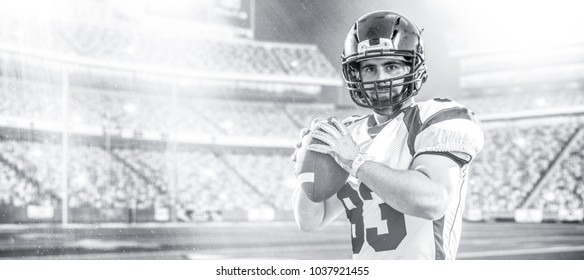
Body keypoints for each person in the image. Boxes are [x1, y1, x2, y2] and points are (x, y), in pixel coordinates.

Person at [291, 10, 484, 260]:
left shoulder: (436, 117)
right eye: (369, 69)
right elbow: (310, 221)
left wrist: (356, 161)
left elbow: (432, 201)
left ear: (413, 67)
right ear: (356, 75)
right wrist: (306, 172)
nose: (380, 78)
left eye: (391, 66)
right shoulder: (349, 133)